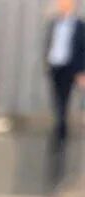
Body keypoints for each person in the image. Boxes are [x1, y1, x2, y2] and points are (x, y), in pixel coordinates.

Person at [45, 0, 85, 145]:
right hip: (55, 66)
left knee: (64, 99)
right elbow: (49, 43)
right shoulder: (54, 23)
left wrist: (81, 71)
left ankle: (61, 131)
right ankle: (59, 126)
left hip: (69, 67)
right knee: (56, 99)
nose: (61, 6)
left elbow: (82, 49)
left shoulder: (79, 25)